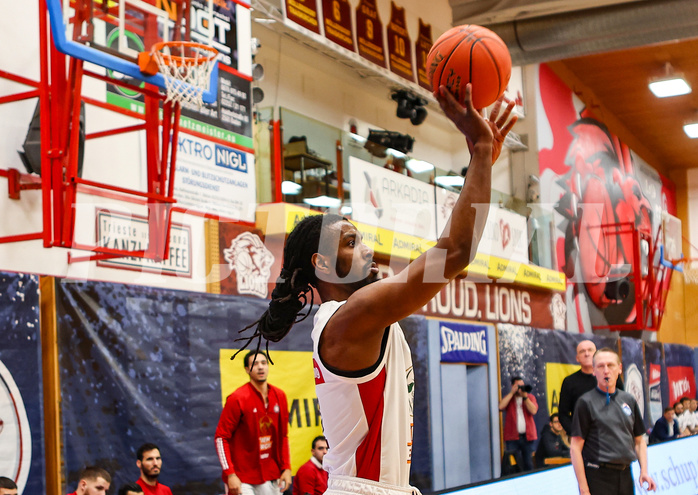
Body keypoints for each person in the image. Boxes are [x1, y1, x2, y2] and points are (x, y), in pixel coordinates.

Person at [234, 83, 516, 495]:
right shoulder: (351, 318)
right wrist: (480, 154)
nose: (366, 248)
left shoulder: (358, 316)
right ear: (323, 264)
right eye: (351, 242)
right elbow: (455, 252)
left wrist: (483, 158)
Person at [570, 348, 656, 495]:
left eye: (610, 365)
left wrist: (644, 471)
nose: (606, 370)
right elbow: (575, 447)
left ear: (620, 369)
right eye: (600, 366)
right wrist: (583, 489)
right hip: (598, 476)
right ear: (593, 371)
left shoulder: (629, 400)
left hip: (625, 475)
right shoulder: (585, 402)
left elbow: (639, 441)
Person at [215, 350, 291, 495]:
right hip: (241, 476)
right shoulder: (237, 398)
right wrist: (230, 473)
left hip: (270, 474)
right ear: (247, 370)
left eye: (263, 363)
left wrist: (286, 467)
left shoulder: (280, 396)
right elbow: (221, 438)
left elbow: (283, 436)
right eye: (255, 364)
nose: (260, 367)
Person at [559, 340, 625, 435]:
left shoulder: (611, 377)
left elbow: (622, 404)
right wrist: (576, 434)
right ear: (577, 358)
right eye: (582, 351)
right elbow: (563, 414)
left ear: (596, 355)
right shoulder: (569, 382)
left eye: (590, 350)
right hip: (583, 438)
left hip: (611, 434)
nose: (586, 354)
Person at [499, 376, 539, 471]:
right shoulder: (510, 398)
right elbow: (500, 407)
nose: (521, 388)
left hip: (528, 437)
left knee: (529, 463)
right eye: (518, 386)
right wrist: (512, 393)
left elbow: (533, 411)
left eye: (522, 385)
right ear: (513, 386)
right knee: (513, 465)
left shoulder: (530, 397)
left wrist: (525, 398)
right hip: (512, 438)